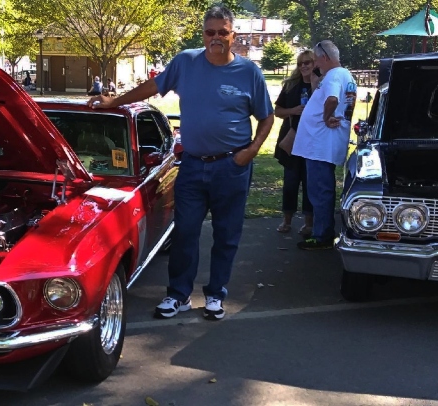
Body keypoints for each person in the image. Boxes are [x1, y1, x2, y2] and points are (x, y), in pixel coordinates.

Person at [87, 5, 274, 321]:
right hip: (191, 165)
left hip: (232, 166)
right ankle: (179, 295)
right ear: (203, 34)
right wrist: (112, 102)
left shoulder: (248, 73)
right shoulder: (186, 62)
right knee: (185, 232)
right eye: (209, 32)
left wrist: (252, 150)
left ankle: (215, 295)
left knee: (226, 235)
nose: (215, 38)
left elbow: (267, 117)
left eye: (222, 32)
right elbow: (152, 86)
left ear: (233, 35)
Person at [292, 40, 356, 250]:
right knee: (322, 189)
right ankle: (324, 232)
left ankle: (322, 236)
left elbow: (331, 99)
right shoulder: (346, 75)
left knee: (319, 191)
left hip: (320, 144)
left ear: (325, 57)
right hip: (325, 144)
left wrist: (327, 117)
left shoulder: (334, 75)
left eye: (317, 58)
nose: (316, 63)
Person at [273, 50, 315, 237]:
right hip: (292, 139)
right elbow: (278, 111)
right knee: (290, 182)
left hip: (313, 141)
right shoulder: (291, 86)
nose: (304, 66)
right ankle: (287, 220)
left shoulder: (322, 85)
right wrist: (294, 110)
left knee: (309, 183)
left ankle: (308, 223)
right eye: (300, 63)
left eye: (308, 62)